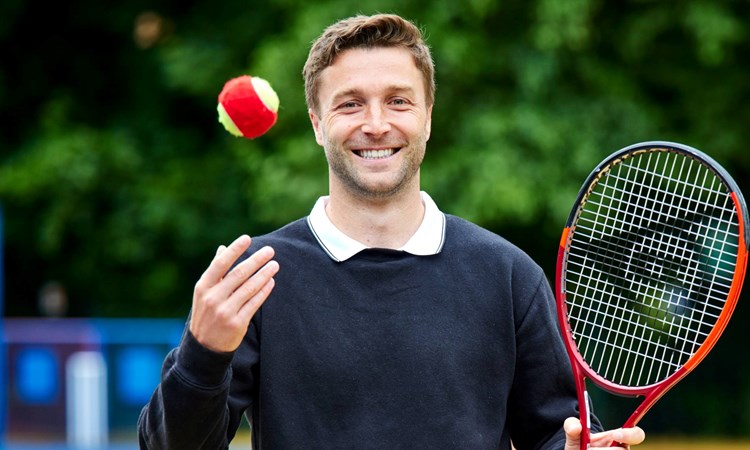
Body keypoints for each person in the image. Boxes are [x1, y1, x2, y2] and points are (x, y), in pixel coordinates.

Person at [138, 13, 645, 449]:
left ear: (428, 116)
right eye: (350, 103)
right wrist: (202, 354)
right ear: (317, 123)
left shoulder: (507, 275)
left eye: (398, 101)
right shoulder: (258, 277)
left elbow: (557, 436)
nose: (376, 124)